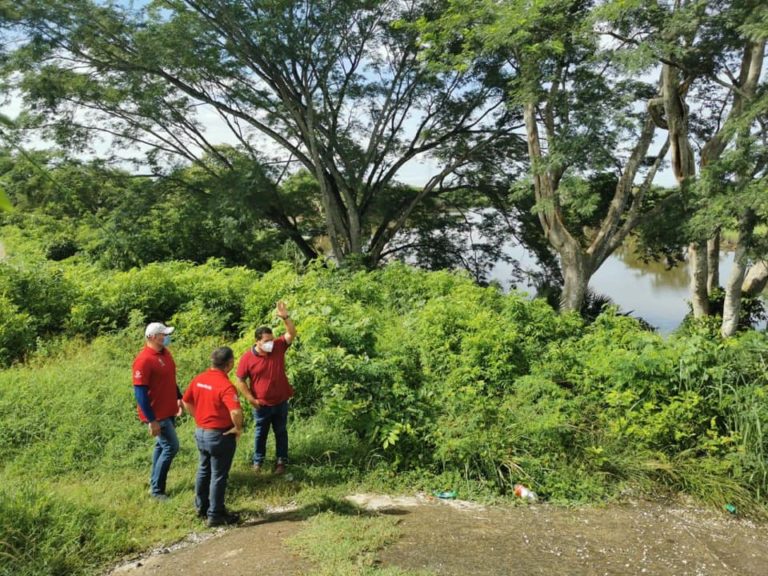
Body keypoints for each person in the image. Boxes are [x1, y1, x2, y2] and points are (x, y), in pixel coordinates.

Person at [183, 346, 244, 527]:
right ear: (230, 363)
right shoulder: (225, 385)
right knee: (218, 475)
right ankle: (216, 514)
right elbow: (235, 411)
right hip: (219, 435)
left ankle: (201, 508)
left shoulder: (199, 379)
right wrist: (238, 428)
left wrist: (199, 417)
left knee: (203, 470)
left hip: (201, 433)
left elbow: (186, 401)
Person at [235, 301, 296, 474]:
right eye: (266, 341)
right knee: (260, 434)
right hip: (262, 404)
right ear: (258, 342)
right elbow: (239, 380)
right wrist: (251, 399)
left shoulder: (278, 346)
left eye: (271, 339)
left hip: (280, 401)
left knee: (281, 432)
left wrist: (285, 318)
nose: (271, 343)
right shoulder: (247, 358)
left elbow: (291, 333)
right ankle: (258, 462)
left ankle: (281, 461)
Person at [132, 322, 182, 500]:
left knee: (161, 446)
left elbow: (170, 379)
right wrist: (151, 420)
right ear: (152, 337)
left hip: (168, 409)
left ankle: (154, 482)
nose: (166, 337)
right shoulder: (143, 360)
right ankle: (157, 490)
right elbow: (140, 393)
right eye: (163, 334)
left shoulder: (165, 353)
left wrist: (178, 397)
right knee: (171, 446)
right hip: (157, 413)